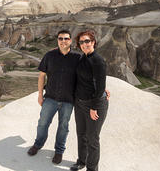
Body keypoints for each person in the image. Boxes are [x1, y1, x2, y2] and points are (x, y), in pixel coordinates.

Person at [27, 29, 80, 164]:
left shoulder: (77, 58)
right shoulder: (49, 56)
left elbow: (87, 77)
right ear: (57, 40)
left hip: (68, 100)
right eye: (60, 38)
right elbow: (41, 76)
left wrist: (103, 90)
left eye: (66, 39)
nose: (63, 41)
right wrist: (40, 95)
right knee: (42, 124)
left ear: (70, 41)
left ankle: (59, 151)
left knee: (63, 127)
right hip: (50, 97)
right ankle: (38, 145)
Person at [70, 30, 109, 171]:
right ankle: (81, 161)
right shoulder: (82, 58)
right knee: (81, 134)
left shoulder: (98, 61)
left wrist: (94, 107)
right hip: (80, 103)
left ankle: (92, 169)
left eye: (87, 41)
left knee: (92, 139)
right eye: (81, 42)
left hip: (95, 104)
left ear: (93, 42)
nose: (84, 44)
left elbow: (100, 86)